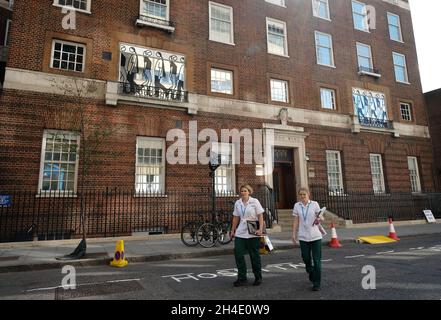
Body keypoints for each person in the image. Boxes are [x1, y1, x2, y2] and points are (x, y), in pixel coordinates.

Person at [230, 184, 265, 287]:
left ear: (249, 192)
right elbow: (236, 217)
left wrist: (260, 229)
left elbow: (260, 216)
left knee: (254, 255)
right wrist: (233, 230)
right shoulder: (238, 203)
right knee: (238, 254)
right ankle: (242, 278)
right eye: (242, 191)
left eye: (245, 191)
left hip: (253, 230)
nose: (243, 193)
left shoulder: (255, 202)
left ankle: (258, 277)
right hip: (241, 231)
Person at [292, 187, 324, 291]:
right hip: (303, 236)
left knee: (317, 260)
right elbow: (296, 220)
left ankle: (317, 283)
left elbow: (321, 217)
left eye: (304, 194)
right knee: (306, 258)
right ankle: (310, 271)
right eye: (300, 194)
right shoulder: (297, 205)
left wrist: (319, 218)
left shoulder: (314, 204)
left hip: (315, 236)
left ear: (308, 194)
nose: (302, 196)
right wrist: (294, 234)